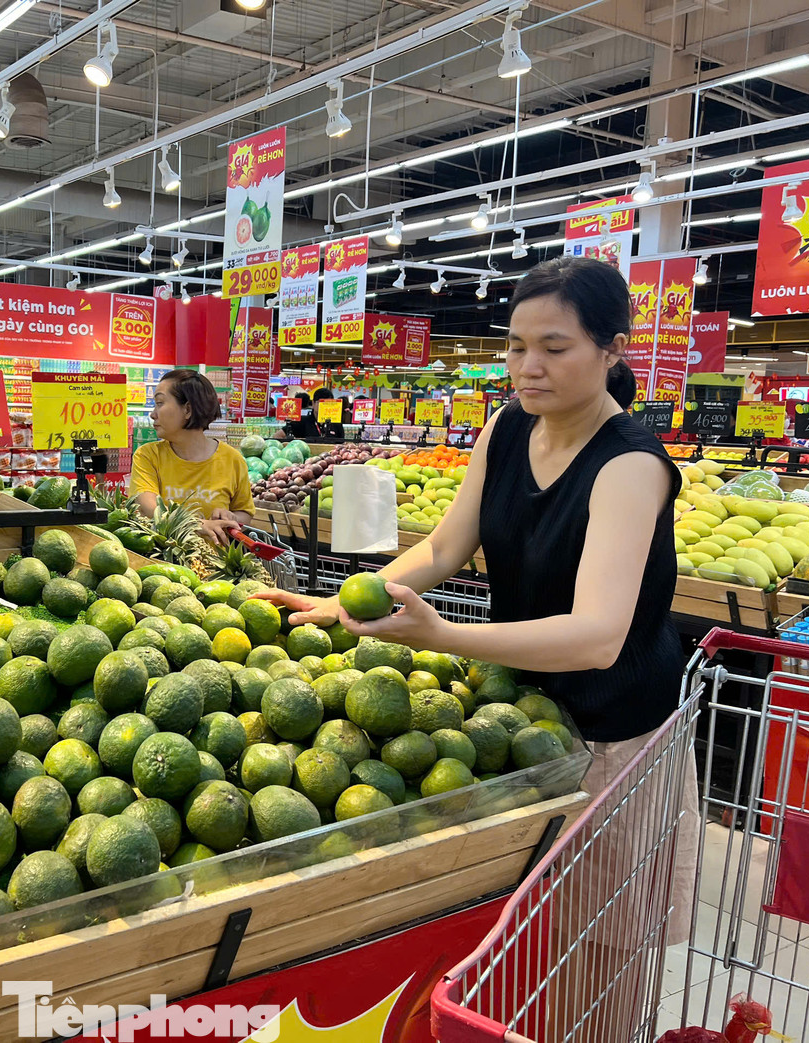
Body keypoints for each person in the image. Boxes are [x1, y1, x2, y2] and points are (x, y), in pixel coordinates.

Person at [256, 256, 698, 944]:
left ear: (614, 350)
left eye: (555, 348)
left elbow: (596, 635)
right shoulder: (509, 427)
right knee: (524, 940)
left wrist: (442, 636)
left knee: (600, 944)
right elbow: (443, 547)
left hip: (613, 731)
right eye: (517, 347)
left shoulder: (631, 465)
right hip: (518, 712)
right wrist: (350, 606)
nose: (528, 367)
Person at [131, 368, 254, 545]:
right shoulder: (148, 456)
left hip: (216, 567)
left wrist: (230, 517)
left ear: (187, 409)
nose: (153, 414)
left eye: (159, 403)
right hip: (163, 567)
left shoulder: (232, 459)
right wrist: (198, 525)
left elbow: (245, 513)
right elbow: (151, 509)